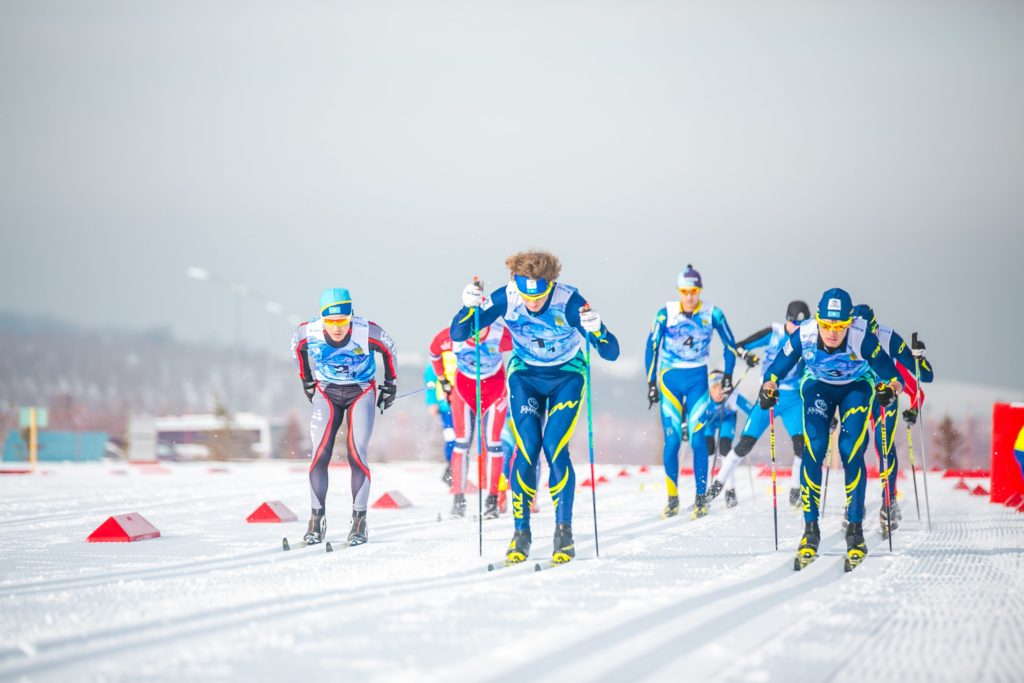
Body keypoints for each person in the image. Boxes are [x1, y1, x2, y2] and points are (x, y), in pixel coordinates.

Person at [451, 250, 619, 564]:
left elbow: (611, 353)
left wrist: (598, 330)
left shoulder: (569, 302)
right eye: (529, 298)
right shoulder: (506, 297)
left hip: (566, 376)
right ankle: (521, 532)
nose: (533, 304)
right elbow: (459, 333)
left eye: (540, 296)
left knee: (555, 448)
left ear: (550, 284)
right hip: (525, 376)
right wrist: (467, 306)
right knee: (527, 448)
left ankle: (563, 531)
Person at [758, 287, 900, 571]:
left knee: (850, 450)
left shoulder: (862, 337)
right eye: (827, 326)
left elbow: (893, 377)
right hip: (818, 386)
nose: (832, 333)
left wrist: (889, 391)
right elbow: (776, 368)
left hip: (855, 388)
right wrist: (768, 388)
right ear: (818, 321)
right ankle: (810, 531)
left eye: (839, 327)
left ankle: (855, 530)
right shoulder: (806, 333)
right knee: (816, 447)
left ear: (850, 323)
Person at [290, 287, 398, 546]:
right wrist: (306, 379)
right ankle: (317, 520)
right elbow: (298, 350)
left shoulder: (367, 331)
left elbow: (390, 351)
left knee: (356, 451)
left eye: (342, 321)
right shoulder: (309, 332)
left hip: (361, 390)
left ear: (351, 316)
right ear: (322, 319)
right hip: (327, 390)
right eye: (331, 322)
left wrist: (390, 384)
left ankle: (359, 521)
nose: (337, 328)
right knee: (319, 453)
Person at [645, 265, 739, 519]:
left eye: (694, 291)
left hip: (698, 379)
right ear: (679, 291)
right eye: (685, 291)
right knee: (673, 440)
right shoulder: (665, 314)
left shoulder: (712, 313)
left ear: (700, 291)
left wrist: (728, 375)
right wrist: (651, 382)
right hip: (670, 380)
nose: (689, 297)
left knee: (698, 440)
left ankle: (700, 497)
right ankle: (672, 498)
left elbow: (730, 345)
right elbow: (651, 346)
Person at [708, 301, 812, 508]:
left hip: (793, 399)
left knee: (801, 446)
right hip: (769, 396)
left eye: (802, 325)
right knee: (745, 444)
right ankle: (717, 486)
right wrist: (748, 356)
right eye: (794, 324)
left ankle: (795, 490)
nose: (797, 329)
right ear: (787, 320)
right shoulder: (773, 333)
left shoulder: (810, 337)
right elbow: (737, 347)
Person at [852, 304, 935, 536]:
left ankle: (889, 502)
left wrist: (920, 357)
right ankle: (853, 504)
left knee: (884, 447)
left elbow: (924, 376)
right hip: (859, 395)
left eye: (872, 334)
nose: (869, 340)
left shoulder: (889, 338)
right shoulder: (846, 335)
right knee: (855, 447)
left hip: (885, 396)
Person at [429, 318, 513, 519]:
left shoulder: (500, 333)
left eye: (481, 326)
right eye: (472, 328)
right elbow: (434, 351)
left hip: (495, 391)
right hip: (464, 392)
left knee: (493, 444)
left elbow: (523, 344)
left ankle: (492, 499)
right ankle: (458, 499)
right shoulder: (455, 333)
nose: (476, 333)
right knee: (462, 442)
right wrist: (443, 381)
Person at [701, 370, 754, 507]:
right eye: (714, 388)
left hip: (727, 419)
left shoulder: (733, 396)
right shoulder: (703, 395)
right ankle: (703, 491)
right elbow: (688, 409)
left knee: (725, 448)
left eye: (721, 388)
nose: (719, 392)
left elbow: (754, 411)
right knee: (708, 449)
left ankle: (730, 491)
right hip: (709, 421)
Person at [423, 364, 457, 486]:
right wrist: (431, 402)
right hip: (446, 405)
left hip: (463, 403)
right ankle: (452, 466)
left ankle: (455, 467)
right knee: (451, 436)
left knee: (461, 438)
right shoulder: (440, 353)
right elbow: (430, 379)